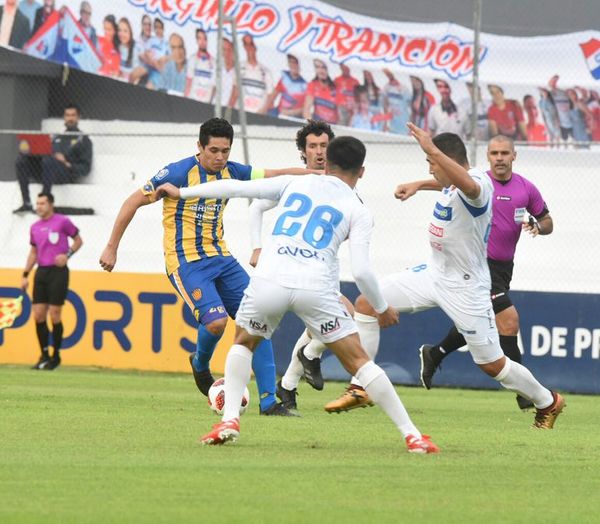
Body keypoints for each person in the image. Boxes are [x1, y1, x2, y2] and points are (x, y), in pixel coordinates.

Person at [157, 136, 440, 453]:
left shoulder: (294, 183)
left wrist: (182, 192)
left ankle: (229, 420)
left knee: (243, 343)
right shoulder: (358, 209)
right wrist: (381, 307)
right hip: (315, 287)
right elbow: (361, 271)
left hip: (270, 281)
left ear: (327, 162)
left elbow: (233, 187)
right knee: (359, 361)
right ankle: (412, 435)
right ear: (361, 172)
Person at [324, 124, 564, 430]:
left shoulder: (478, 185)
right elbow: (450, 180)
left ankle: (547, 401)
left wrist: (432, 149)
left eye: (432, 164)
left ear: (447, 160)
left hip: (466, 286)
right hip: (433, 274)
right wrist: (418, 185)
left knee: (492, 364)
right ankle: (361, 386)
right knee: (367, 303)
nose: (430, 169)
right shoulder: (453, 183)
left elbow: (469, 185)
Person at [99, 118, 319, 416]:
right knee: (216, 323)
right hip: (186, 261)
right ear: (199, 147)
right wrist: (112, 246)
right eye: (213, 150)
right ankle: (200, 363)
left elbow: (276, 174)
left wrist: (316, 174)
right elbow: (132, 202)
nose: (219, 157)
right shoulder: (177, 172)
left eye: (225, 151)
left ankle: (269, 401)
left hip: (222, 259)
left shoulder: (233, 171)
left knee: (259, 319)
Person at [410, 135, 554, 411]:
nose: (499, 158)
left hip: (503, 268)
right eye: (494, 153)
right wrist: (418, 184)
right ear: (487, 156)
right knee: (508, 321)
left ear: (514, 156)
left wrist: (538, 224)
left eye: (504, 153)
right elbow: (448, 181)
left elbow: (548, 221)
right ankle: (526, 395)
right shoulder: (479, 183)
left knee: (476, 320)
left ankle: (435, 353)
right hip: (477, 265)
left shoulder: (527, 189)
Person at [247, 119, 354, 413]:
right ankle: (301, 364)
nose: (319, 152)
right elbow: (256, 206)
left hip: (325, 268)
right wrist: (257, 246)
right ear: (303, 152)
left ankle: (289, 385)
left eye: (324, 145)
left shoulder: (341, 179)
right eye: (313, 146)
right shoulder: (296, 180)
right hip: (290, 270)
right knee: (343, 317)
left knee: (316, 329)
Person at [21, 192, 83, 370]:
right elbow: (33, 252)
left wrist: (67, 255)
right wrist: (25, 275)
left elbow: (78, 240)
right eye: (37, 203)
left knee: (55, 314)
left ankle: (56, 356)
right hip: (41, 272)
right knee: (38, 314)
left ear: (51, 204)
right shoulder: (34, 227)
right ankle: (44, 355)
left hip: (58, 272)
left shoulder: (62, 221)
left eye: (42, 203)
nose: (38, 207)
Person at [14, 103, 93, 214]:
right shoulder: (56, 138)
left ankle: (44, 202)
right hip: (46, 170)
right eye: (67, 115)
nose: (70, 118)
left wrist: (66, 162)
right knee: (22, 160)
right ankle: (26, 203)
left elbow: (85, 169)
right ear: (64, 117)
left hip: (65, 174)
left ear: (78, 117)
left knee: (49, 161)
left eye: (73, 115)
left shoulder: (84, 140)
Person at [232, 34, 273, 113]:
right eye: (246, 44)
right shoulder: (239, 68)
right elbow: (234, 93)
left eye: (251, 44)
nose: (249, 48)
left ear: (255, 47)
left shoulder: (266, 72)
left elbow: (270, 96)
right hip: (240, 113)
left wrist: (263, 111)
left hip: (257, 114)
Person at [303, 59, 342, 124]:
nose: (321, 71)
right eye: (317, 67)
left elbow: (341, 115)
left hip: (332, 126)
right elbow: (306, 110)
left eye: (323, 67)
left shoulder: (337, 87)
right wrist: (313, 126)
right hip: (317, 124)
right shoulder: (312, 85)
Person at [184, 28, 214, 103]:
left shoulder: (214, 62)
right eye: (199, 38)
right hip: (192, 101)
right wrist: (184, 100)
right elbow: (188, 82)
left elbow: (214, 86)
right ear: (197, 41)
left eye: (204, 38)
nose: (202, 41)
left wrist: (210, 103)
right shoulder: (192, 59)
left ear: (207, 40)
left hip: (206, 103)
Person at [382, 69, 411, 135]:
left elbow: (410, 107)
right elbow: (385, 105)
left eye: (389, 74)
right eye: (387, 74)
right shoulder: (386, 87)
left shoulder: (404, 88)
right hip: (392, 124)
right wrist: (385, 123)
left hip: (404, 122)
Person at [117, 17, 141, 82]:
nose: (122, 34)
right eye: (119, 30)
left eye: (125, 31)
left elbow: (137, 78)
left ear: (130, 32)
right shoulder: (118, 46)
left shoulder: (136, 48)